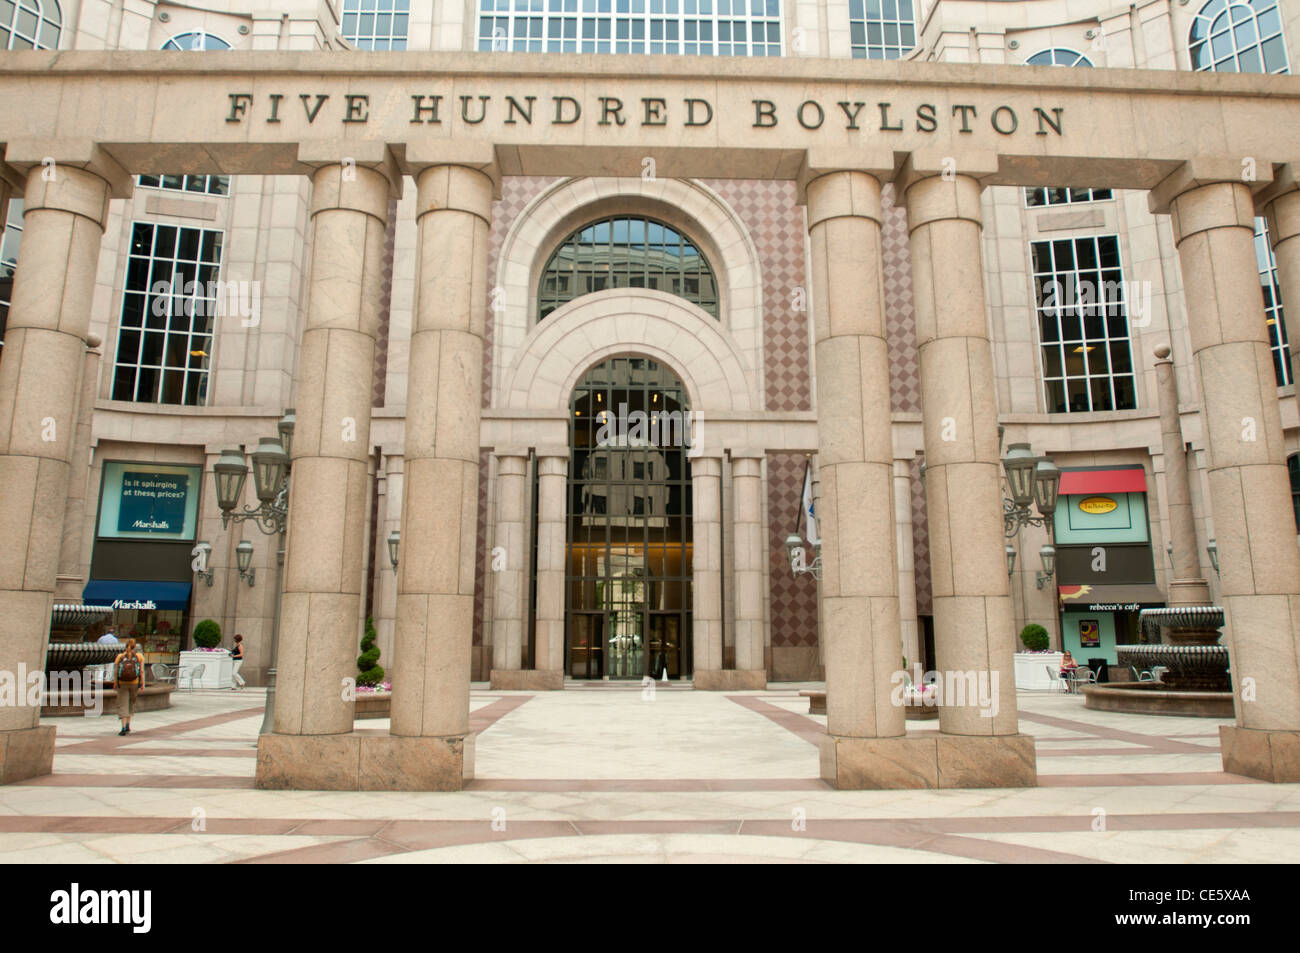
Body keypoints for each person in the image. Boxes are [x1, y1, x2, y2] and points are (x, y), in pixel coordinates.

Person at [114, 638, 145, 735]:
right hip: (134, 683)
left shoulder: (120, 657)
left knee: (123, 704)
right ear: (135, 647)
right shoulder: (139, 656)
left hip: (122, 684)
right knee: (131, 703)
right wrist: (142, 683)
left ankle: (123, 728)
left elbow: (115, 672)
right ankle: (128, 724)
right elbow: (142, 671)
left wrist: (115, 683)